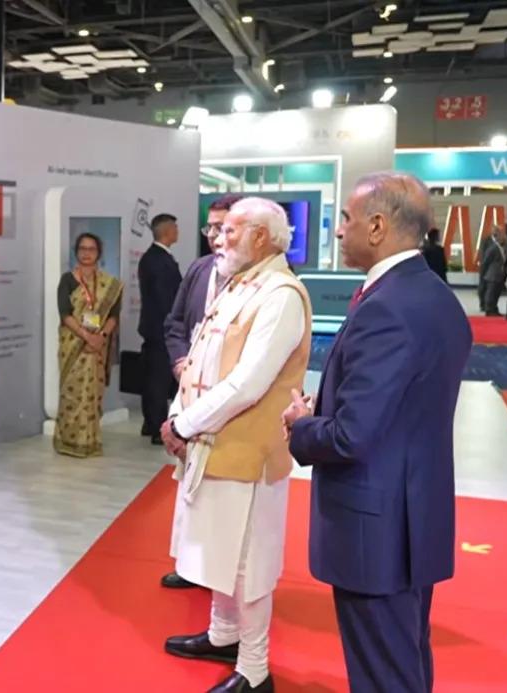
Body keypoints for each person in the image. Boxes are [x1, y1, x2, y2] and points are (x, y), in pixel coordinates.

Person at [284, 172, 471, 693]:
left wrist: (303, 427)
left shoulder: (388, 305)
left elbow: (352, 435)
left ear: (377, 226)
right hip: (411, 516)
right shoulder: (433, 296)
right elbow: (399, 405)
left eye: (346, 218)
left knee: (384, 674)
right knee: (404, 661)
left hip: (377, 528)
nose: (338, 229)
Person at [160, 197, 312, 693]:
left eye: (230, 231)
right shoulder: (241, 283)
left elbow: (248, 383)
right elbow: (200, 360)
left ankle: (254, 669)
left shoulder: (281, 295)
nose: (218, 239)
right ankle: (222, 635)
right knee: (220, 552)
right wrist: (179, 417)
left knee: (249, 564)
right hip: (215, 443)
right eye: (219, 230)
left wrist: (185, 425)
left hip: (249, 452)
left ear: (261, 237)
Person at [160, 193, 242, 590]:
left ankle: (221, 570)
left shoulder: (261, 279)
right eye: (210, 226)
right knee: (188, 483)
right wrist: (181, 363)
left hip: (233, 401)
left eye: (223, 227)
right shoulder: (198, 269)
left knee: (223, 490)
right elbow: (175, 324)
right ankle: (190, 564)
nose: (213, 235)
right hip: (191, 390)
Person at [54, 233, 123, 458]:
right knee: (71, 393)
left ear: (98, 253)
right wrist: (87, 336)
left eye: (91, 249)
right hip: (73, 346)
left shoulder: (110, 285)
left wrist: (101, 336)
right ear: (76, 252)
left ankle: (91, 441)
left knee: (93, 394)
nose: (86, 253)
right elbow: (65, 314)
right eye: (82, 249)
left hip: (97, 347)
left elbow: (113, 316)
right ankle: (67, 441)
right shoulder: (67, 280)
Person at [138, 213, 182, 444]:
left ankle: (150, 422)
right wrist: (174, 326)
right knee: (158, 380)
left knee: (153, 378)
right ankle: (157, 427)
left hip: (155, 328)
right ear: (167, 231)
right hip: (160, 330)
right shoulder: (157, 260)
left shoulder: (156, 258)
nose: (178, 232)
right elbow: (166, 299)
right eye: (175, 228)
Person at [477, 226, 507, 316]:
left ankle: (494, 309)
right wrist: (483, 272)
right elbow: (485, 260)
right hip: (492, 274)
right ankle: (488, 309)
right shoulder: (493, 248)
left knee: (496, 293)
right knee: (490, 292)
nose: (505, 241)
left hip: (499, 275)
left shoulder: (502, 248)